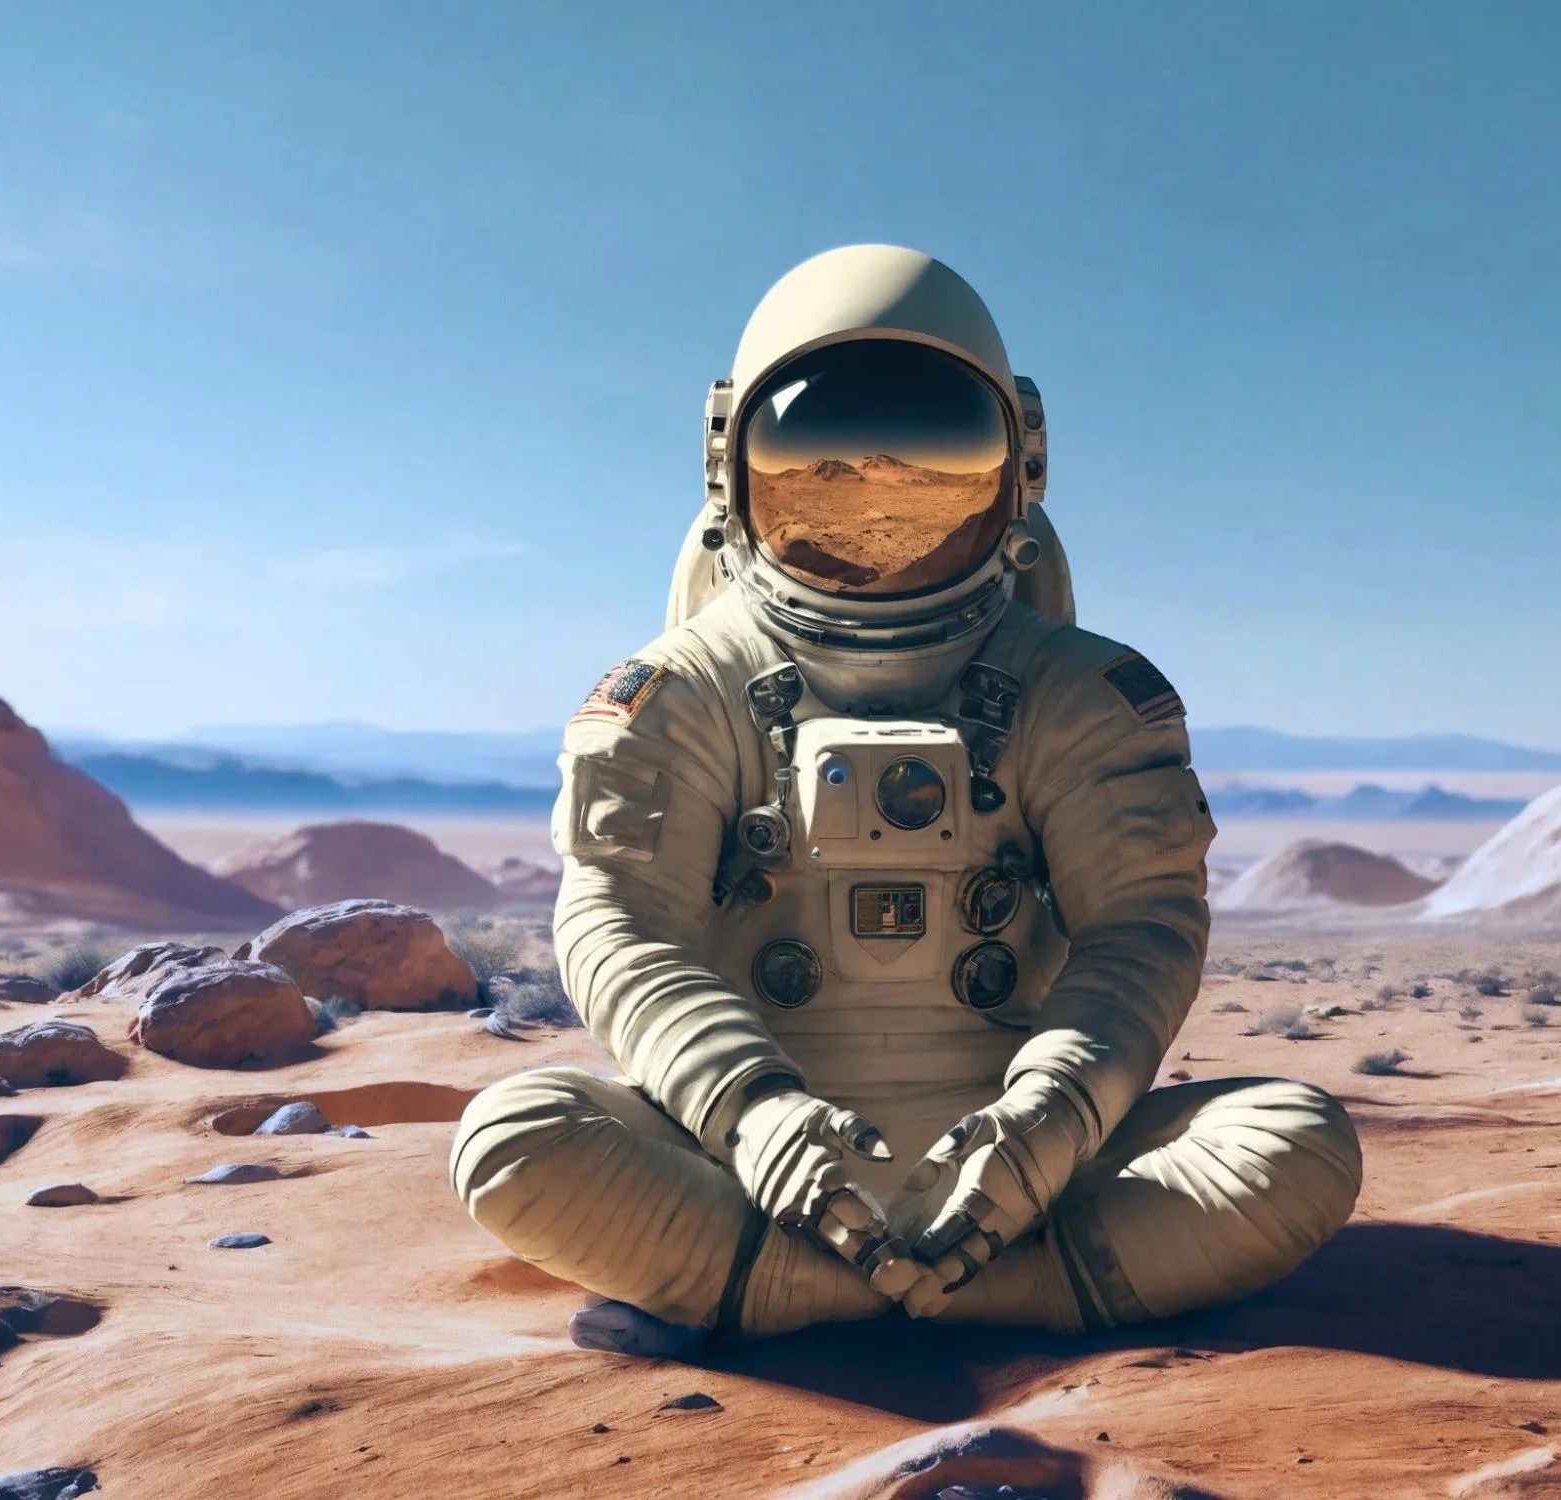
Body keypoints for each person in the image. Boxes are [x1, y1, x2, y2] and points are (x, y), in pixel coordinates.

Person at [450, 244, 1361, 1356]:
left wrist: (1052, 1117)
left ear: (1021, 468)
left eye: (935, 465)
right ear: (729, 467)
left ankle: (794, 1291)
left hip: (1031, 1150)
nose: (876, 521)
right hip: (748, 1155)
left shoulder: (1078, 693)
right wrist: (753, 1111)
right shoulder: (682, 693)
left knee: (1293, 1140)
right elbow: (620, 926)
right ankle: (992, 1290)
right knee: (511, 1139)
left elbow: (1141, 925)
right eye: (814, 463)